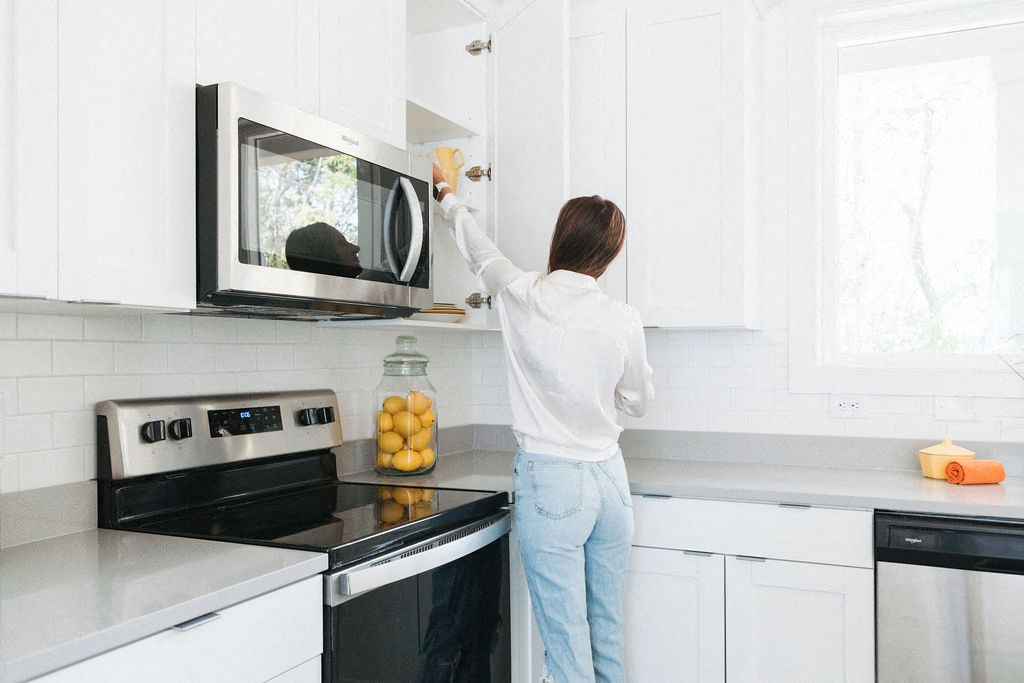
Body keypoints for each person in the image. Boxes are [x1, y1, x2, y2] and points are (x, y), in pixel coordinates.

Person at [432, 163, 655, 682]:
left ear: (562, 238)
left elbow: (476, 246)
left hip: (552, 482)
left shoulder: (521, 292)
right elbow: (639, 401)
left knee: (566, 644)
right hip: (610, 483)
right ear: (608, 254)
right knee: (606, 631)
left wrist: (446, 192)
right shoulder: (623, 317)